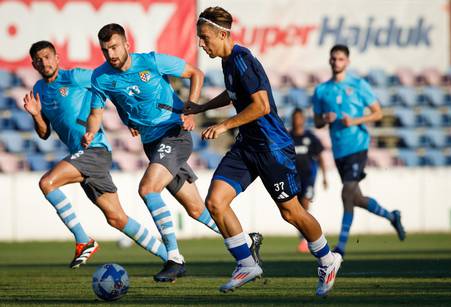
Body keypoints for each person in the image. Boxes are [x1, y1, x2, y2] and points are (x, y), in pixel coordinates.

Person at [82, 23, 262, 283]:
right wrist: (93, 131)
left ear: (126, 44)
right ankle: (247, 242)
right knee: (196, 209)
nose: (110, 54)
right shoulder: (100, 77)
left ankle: (174, 258)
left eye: (114, 47)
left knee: (147, 189)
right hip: (152, 143)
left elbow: (195, 73)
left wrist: (190, 107)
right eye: (105, 50)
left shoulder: (152, 61)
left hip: (174, 134)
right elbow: (98, 111)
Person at [185, 7, 342, 297]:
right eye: (199, 38)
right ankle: (246, 263)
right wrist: (203, 107)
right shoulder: (227, 62)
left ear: (222, 34)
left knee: (291, 212)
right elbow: (234, 93)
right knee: (216, 202)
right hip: (248, 146)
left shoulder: (242, 60)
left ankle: (327, 259)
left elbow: (261, 106)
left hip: (272, 148)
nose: (201, 44)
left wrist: (223, 126)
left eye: (204, 38)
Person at [25, 40, 169, 269]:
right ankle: (171, 258)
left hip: (94, 151)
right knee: (117, 218)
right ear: (33, 64)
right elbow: (44, 134)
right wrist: (35, 115)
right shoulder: (39, 91)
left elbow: (108, 83)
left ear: (57, 58)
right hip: (82, 155)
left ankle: (83, 240)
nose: (44, 62)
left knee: (47, 182)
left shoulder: (75, 77)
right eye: (39, 60)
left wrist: (129, 115)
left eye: (48, 56)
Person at [312, 44, 406, 258]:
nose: (337, 62)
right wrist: (324, 119)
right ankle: (392, 216)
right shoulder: (321, 90)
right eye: (333, 59)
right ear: (329, 61)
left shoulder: (358, 84)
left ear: (348, 62)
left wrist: (355, 120)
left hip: (358, 145)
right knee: (356, 198)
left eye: (341, 59)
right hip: (339, 150)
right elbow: (317, 122)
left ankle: (341, 247)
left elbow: (378, 113)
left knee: (346, 193)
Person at [289, 108, 328, 253]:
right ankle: (304, 236)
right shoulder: (288, 136)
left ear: (303, 119)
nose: (297, 120)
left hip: (308, 177)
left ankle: (308, 238)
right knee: (296, 208)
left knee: (305, 203)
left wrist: (324, 177)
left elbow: (320, 156)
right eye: (295, 117)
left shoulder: (310, 137)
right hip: (293, 177)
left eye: (300, 117)